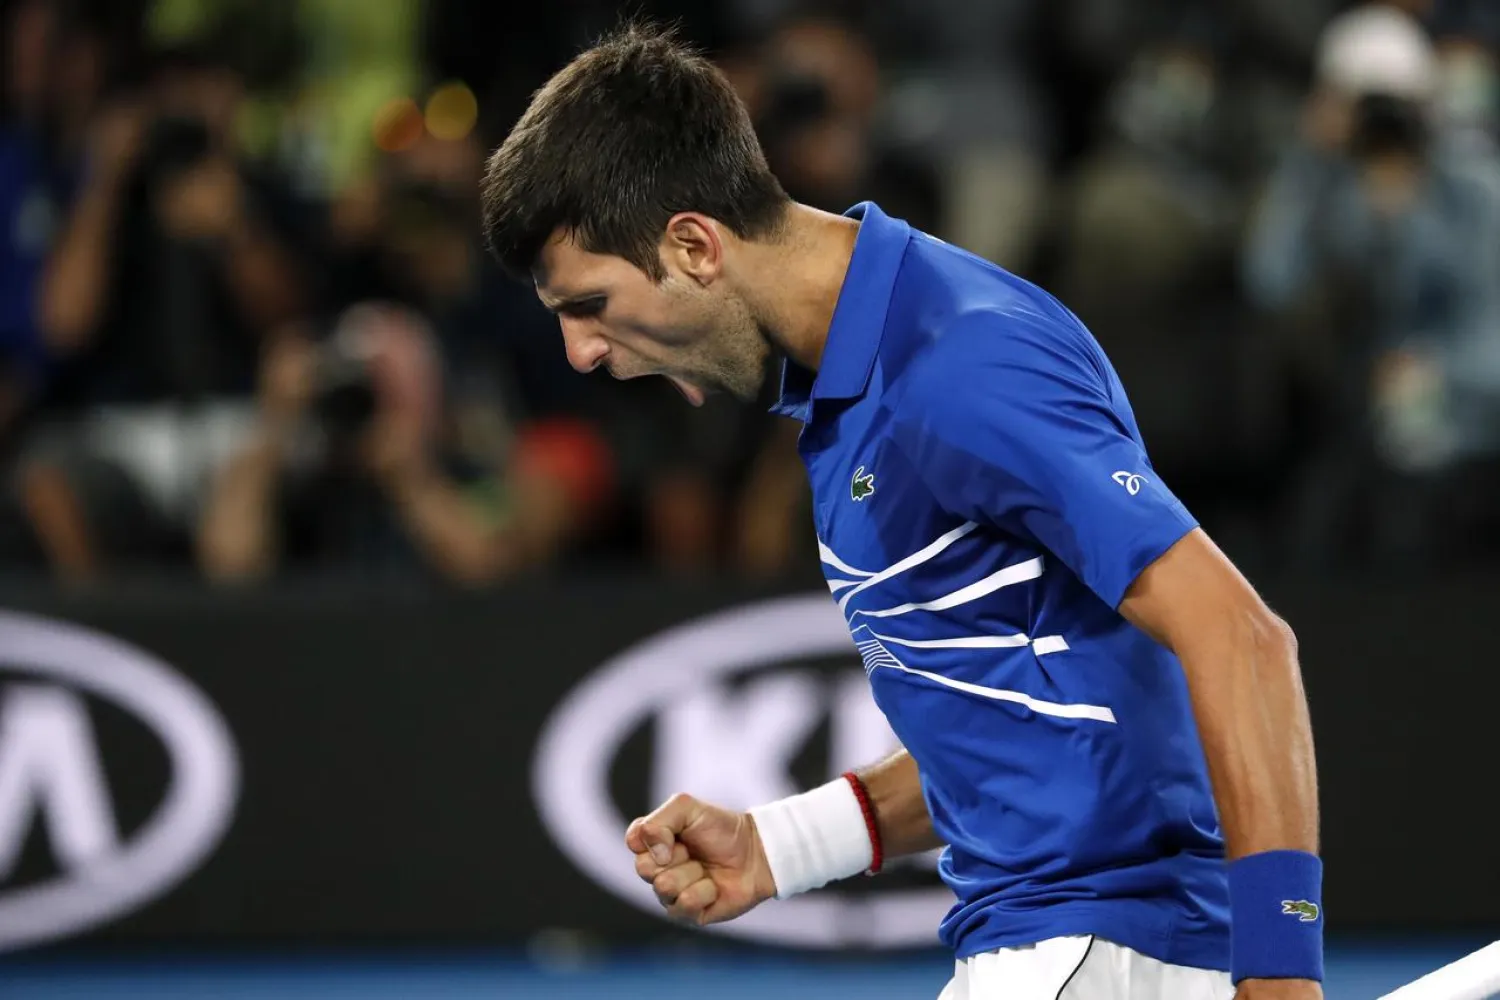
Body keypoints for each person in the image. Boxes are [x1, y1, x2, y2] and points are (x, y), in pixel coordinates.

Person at [482, 23, 1321, 1000]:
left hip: (1093, 949)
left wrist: (1281, 973)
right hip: (1063, 948)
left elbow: (1241, 639)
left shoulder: (960, 366)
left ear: (694, 245)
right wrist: (777, 846)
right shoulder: (847, 386)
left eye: (588, 304)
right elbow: (1019, 730)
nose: (582, 352)